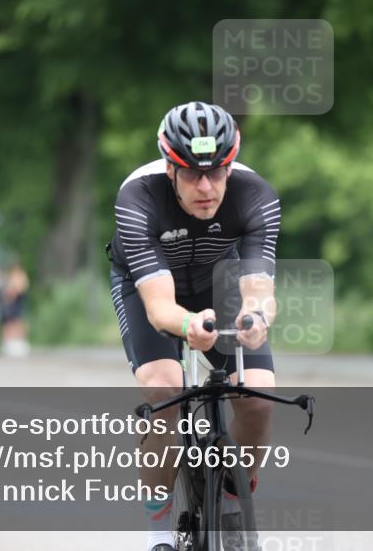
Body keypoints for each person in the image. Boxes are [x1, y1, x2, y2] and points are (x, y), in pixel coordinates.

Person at [108, 101, 280, 551]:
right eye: (190, 174)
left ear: (230, 165)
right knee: (164, 392)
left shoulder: (256, 194)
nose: (205, 186)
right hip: (149, 289)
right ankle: (158, 532)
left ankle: (232, 493)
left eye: (216, 172)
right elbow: (160, 305)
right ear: (170, 168)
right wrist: (188, 324)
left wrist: (256, 318)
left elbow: (260, 287)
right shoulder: (137, 198)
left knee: (258, 399)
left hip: (216, 283)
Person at [0, 263, 30, 358]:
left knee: (15, 322)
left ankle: (16, 342)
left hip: (16, 303)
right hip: (13, 303)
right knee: (10, 322)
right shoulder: (14, 277)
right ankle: (10, 342)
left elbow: (17, 290)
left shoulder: (19, 277)